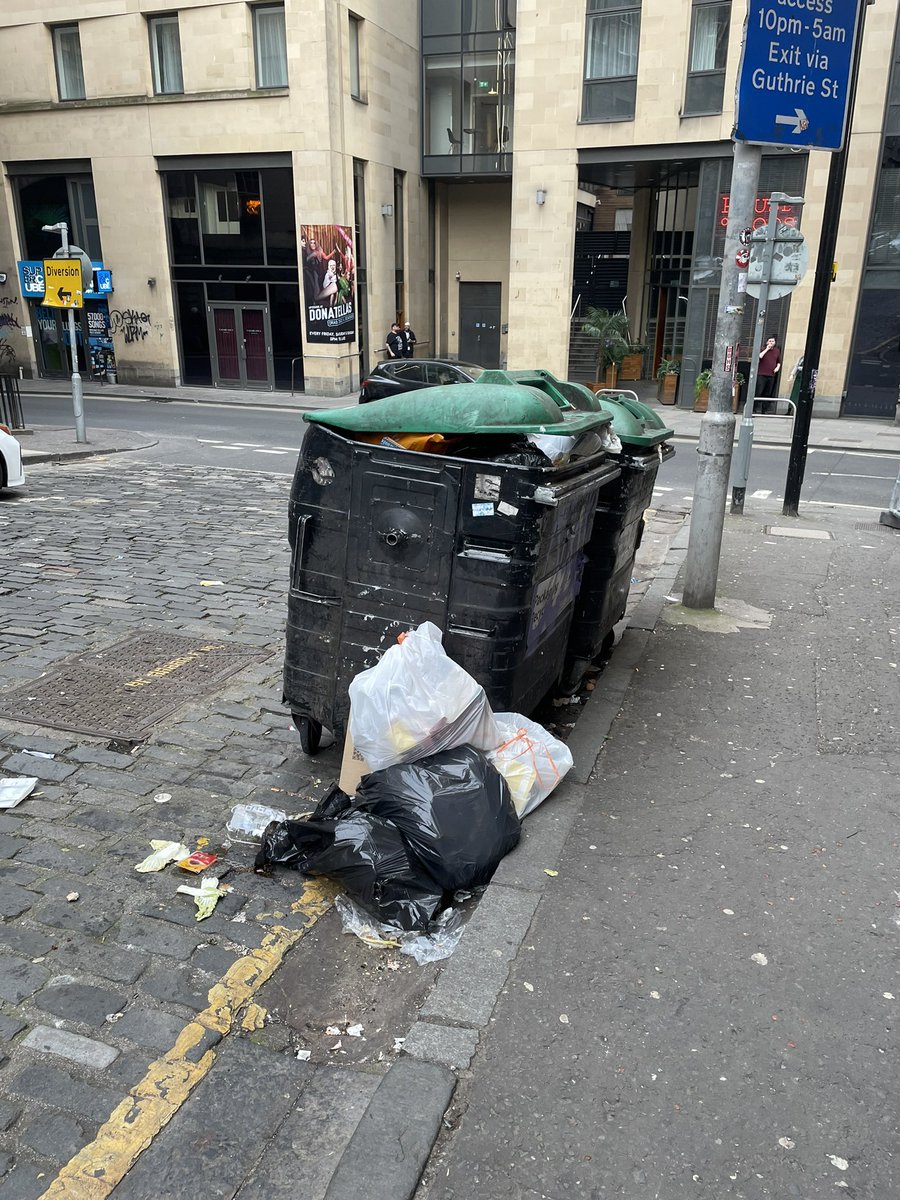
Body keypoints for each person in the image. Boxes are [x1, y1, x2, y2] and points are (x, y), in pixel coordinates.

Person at [755, 335, 781, 414]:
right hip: (761, 374)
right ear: (767, 342)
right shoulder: (763, 349)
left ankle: (764, 410)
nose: (771, 343)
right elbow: (760, 356)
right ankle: (754, 409)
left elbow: (778, 362)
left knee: (768, 393)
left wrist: (777, 368)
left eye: (772, 341)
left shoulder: (777, 351)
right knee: (759, 392)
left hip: (771, 374)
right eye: (769, 341)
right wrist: (767, 349)